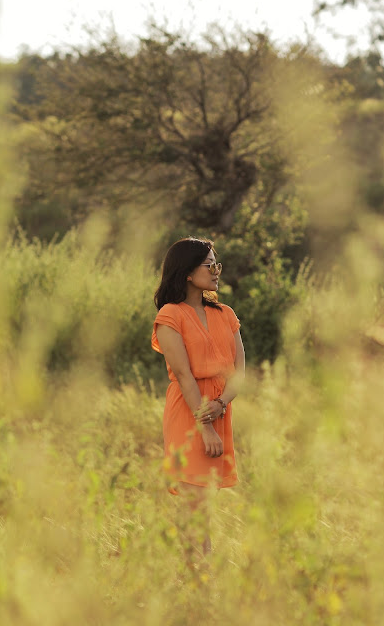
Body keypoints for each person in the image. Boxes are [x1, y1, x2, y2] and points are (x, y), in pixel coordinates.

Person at [151, 237, 245, 555]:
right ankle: (195, 588)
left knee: (203, 505)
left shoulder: (225, 313)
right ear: (188, 272)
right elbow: (183, 375)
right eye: (210, 264)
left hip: (218, 409)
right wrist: (204, 424)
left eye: (217, 264)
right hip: (190, 412)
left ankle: (199, 587)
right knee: (194, 505)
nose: (216, 271)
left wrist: (220, 404)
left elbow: (239, 373)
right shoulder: (169, 315)